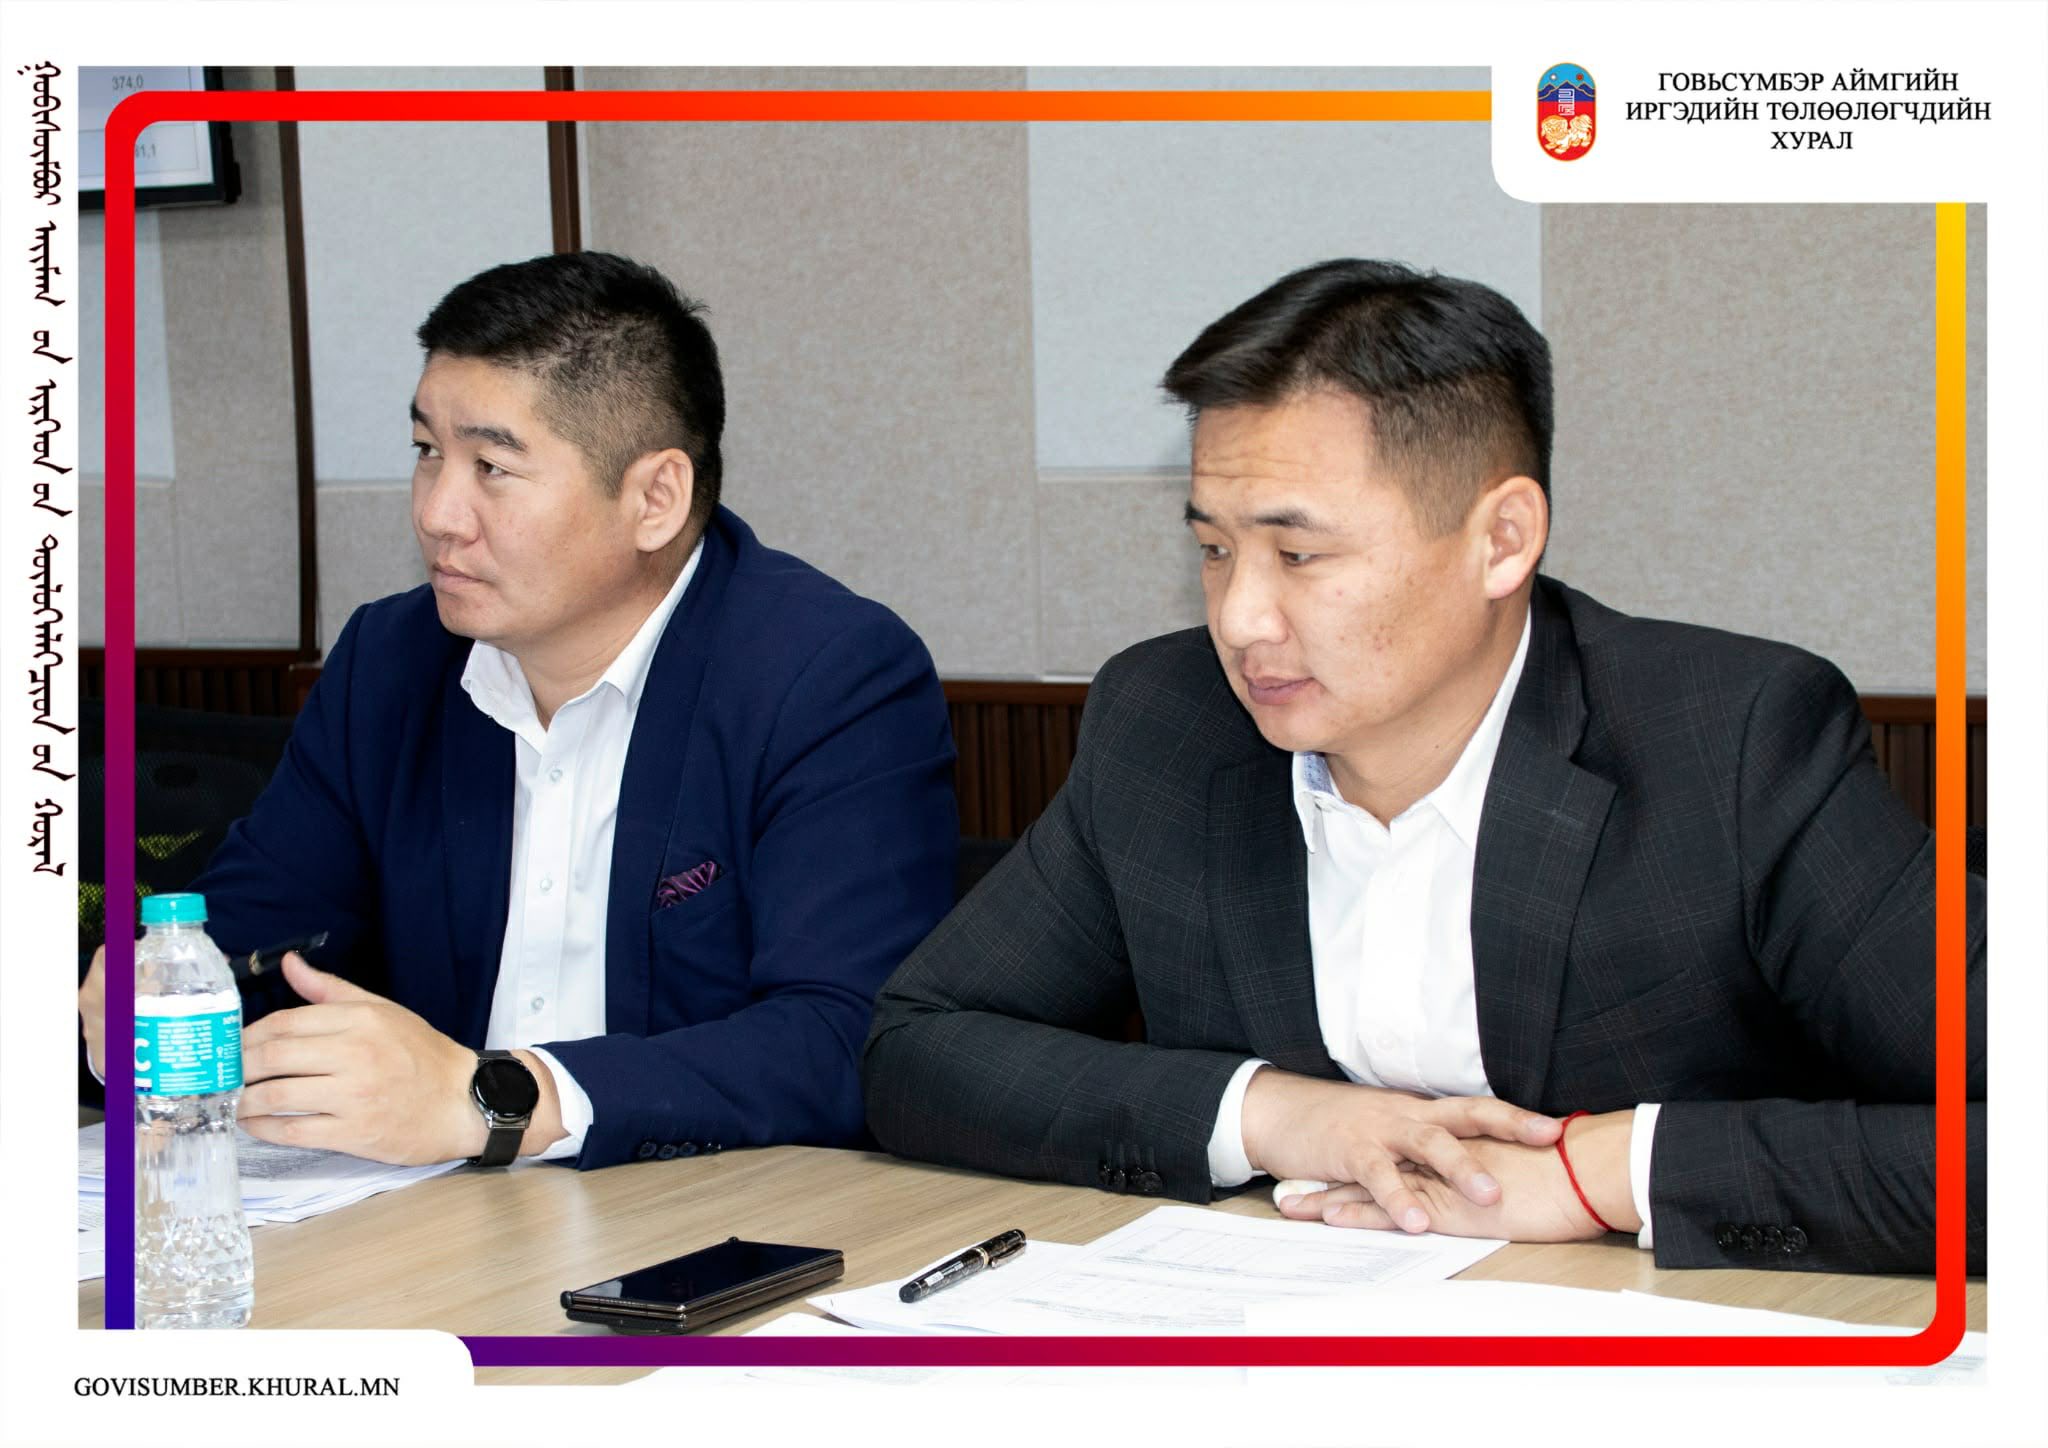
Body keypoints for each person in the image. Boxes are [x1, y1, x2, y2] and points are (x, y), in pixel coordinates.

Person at [862, 258, 1984, 1275]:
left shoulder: (1729, 742)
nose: (1240, 617)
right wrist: (1281, 1116)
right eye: (1213, 549)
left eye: (1299, 553)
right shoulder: (1168, 724)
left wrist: (1605, 1173)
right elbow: (919, 1047)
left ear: (1501, 540)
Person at [81, 251, 958, 1169]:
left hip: (706, 1212)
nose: (437, 513)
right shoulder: (392, 662)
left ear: (655, 499)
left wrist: (494, 1099)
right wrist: (157, 1008)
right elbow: (248, 950)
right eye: (427, 452)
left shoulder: (825, 677)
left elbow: (844, 1038)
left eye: (491, 466)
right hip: (425, 1214)